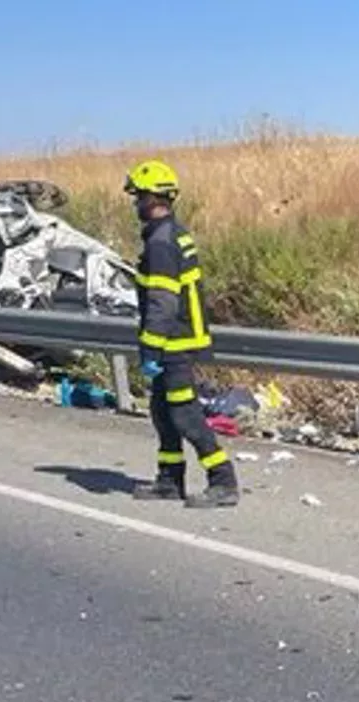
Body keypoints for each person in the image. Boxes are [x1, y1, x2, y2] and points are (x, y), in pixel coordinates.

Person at [122, 160, 238, 508]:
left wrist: (151, 348)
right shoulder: (171, 232)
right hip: (174, 338)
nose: (135, 204)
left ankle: (223, 480)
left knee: (184, 414)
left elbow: (162, 301)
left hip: (174, 342)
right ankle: (170, 480)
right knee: (162, 411)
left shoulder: (161, 243)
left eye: (138, 196)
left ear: (152, 198)